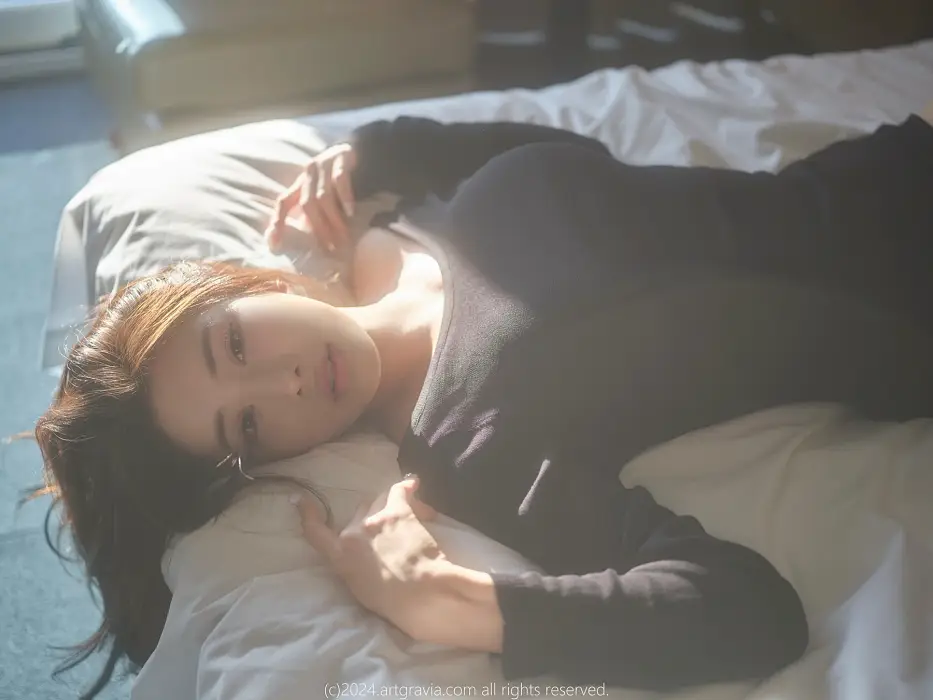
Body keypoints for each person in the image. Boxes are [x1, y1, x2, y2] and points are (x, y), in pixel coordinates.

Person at [33, 107, 933, 700]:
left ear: (239, 286)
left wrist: (374, 150)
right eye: (250, 424)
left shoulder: (392, 223)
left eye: (234, 343)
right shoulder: (468, 443)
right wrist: (460, 603)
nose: (286, 382)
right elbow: (748, 610)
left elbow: (575, 161)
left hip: (893, 158)